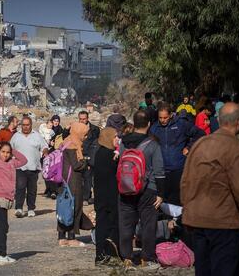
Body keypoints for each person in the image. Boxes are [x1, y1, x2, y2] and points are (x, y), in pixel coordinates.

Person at [181, 102, 239, 276]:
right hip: (224, 223)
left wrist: (188, 215)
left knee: (204, 270)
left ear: (218, 121)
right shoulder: (238, 150)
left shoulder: (199, 145)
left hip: (198, 221)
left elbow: (186, 182)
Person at [119, 110, 165, 270]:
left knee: (126, 224)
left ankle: (126, 257)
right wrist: (161, 194)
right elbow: (159, 171)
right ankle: (147, 257)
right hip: (148, 189)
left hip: (126, 187)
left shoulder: (123, 142)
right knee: (148, 224)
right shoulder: (152, 144)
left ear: (134, 123)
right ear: (149, 124)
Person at [150, 102, 204, 205]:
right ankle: (166, 220)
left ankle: (178, 220)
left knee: (178, 199)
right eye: (160, 118)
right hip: (161, 170)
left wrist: (189, 147)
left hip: (179, 168)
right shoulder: (154, 128)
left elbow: (200, 134)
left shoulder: (181, 124)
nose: (162, 120)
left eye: (165, 117)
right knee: (164, 201)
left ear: (170, 115)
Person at [57, 122, 89, 247]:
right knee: (74, 207)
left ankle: (61, 237)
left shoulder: (66, 142)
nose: (85, 137)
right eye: (84, 135)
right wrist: (86, 162)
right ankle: (71, 238)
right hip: (72, 182)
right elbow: (76, 165)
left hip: (63, 180)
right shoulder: (73, 146)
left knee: (63, 207)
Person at [10, 116, 49, 218]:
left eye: (28, 125)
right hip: (20, 168)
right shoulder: (16, 136)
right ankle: (19, 208)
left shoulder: (37, 135)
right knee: (20, 187)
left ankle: (31, 208)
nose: (25, 127)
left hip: (33, 167)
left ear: (31, 125)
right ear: (21, 125)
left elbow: (44, 146)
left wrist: (45, 152)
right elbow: (9, 149)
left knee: (32, 190)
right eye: (24, 125)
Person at [93, 127, 119, 265]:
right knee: (111, 225)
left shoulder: (99, 153)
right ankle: (110, 253)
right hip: (110, 196)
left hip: (100, 196)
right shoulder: (110, 155)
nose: (117, 139)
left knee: (101, 225)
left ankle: (100, 254)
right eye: (115, 137)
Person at [78, 111, 100, 205]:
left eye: (84, 119)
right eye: (80, 119)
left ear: (87, 118)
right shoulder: (75, 128)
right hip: (79, 155)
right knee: (81, 178)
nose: (82, 121)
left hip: (90, 155)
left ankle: (86, 198)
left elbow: (96, 143)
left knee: (89, 177)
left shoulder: (94, 129)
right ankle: (84, 196)